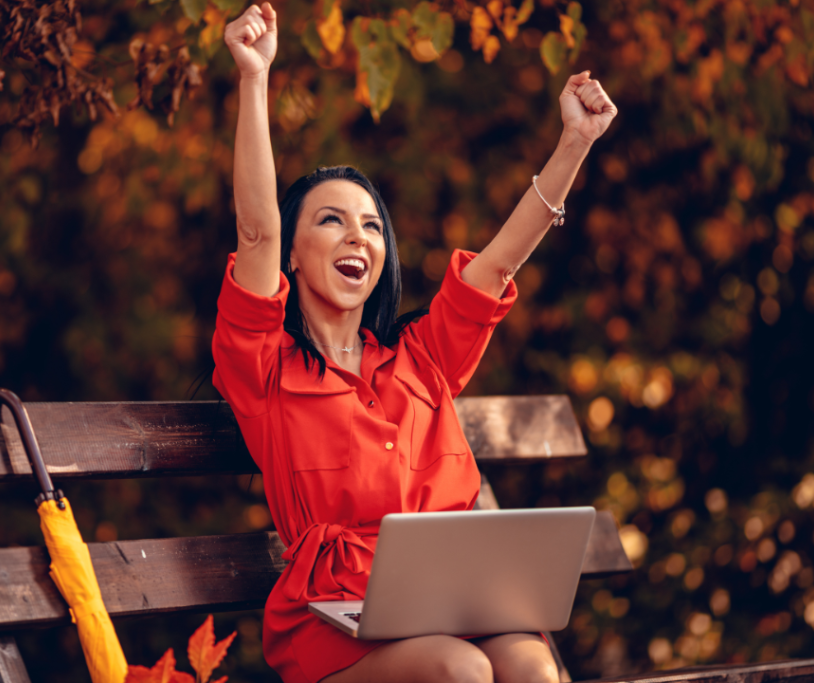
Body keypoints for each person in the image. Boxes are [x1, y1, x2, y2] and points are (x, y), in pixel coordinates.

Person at [212, 4, 617, 682]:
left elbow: (498, 264)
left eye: (371, 226)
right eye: (331, 220)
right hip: (337, 621)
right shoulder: (264, 368)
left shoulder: (422, 359)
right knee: (460, 670)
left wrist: (574, 142)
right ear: (295, 252)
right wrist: (255, 79)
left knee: (533, 668)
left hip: (458, 596)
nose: (357, 237)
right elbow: (255, 232)